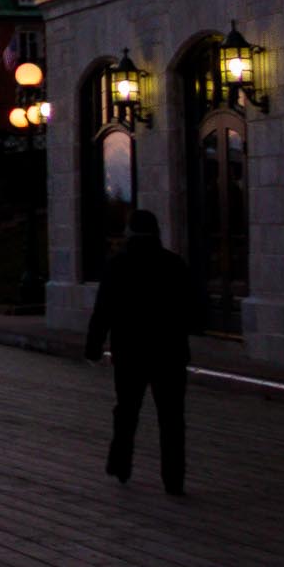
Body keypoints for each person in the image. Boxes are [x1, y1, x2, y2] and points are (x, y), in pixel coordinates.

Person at [87, 207, 203, 494]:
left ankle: (121, 463)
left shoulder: (118, 265)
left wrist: (93, 346)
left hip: (130, 352)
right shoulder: (174, 264)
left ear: (129, 233)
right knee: (172, 418)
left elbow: (104, 309)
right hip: (170, 353)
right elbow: (192, 307)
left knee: (126, 410)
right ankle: (174, 479)